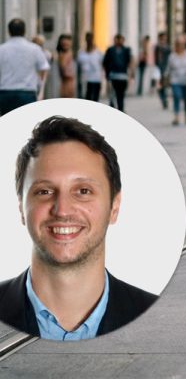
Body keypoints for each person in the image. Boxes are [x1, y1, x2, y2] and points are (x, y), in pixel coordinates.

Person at [0, 116, 157, 339]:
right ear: (21, 208)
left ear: (114, 207)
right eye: (44, 191)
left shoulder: (150, 310)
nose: (62, 210)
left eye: (83, 191)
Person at [0, 19, 50, 115]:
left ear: (9, 31)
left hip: (6, 93)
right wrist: (41, 91)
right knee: (26, 124)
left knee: (7, 125)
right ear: (24, 31)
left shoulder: (2, 49)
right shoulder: (34, 49)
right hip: (27, 93)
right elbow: (44, 68)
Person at [166, 37, 186, 126]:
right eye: (178, 44)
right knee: (177, 96)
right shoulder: (172, 56)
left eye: (182, 44)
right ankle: (176, 117)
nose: (180, 46)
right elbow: (168, 68)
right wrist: (165, 78)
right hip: (175, 80)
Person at [102, 35, 133, 112]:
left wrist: (130, 74)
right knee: (112, 94)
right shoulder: (110, 50)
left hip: (123, 76)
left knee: (121, 94)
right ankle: (113, 107)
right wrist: (107, 74)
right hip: (113, 75)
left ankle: (121, 108)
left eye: (121, 40)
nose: (119, 41)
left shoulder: (126, 50)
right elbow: (105, 62)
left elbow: (130, 62)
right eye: (117, 39)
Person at [77, 33, 104, 102]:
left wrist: (103, 76)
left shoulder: (98, 52)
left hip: (96, 79)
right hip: (85, 79)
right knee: (87, 98)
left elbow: (102, 64)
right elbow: (78, 66)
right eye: (88, 38)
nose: (89, 40)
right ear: (85, 39)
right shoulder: (81, 53)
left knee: (95, 99)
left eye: (91, 38)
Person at [154, 32, 171, 109]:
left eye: (165, 38)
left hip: (165, 69)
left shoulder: (168, 48)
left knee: (164, 85)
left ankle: (164, 100)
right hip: (157, 69)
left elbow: (170, 59)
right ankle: (163, 99)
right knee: (159, 86)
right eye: (162, 38)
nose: (164, 40)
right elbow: (155, 59)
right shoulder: (157, 47)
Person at [56, 34, 76, 99]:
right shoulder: (61, 55)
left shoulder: (69, 53)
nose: (66, 46)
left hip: (69, 83)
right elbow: (65, 72)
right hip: (65, 83)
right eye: (64, 44)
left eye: (67, 44)